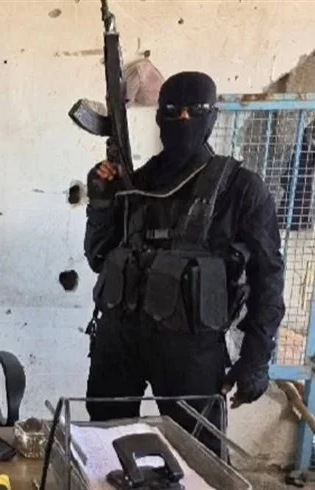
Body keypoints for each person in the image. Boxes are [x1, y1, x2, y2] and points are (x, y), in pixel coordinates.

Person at [83, 71, 286, 457]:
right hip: (119, 339)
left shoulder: (240, 187)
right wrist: (102, 202)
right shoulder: (137, 182)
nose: (184, 120)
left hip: (191, 349)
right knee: (105, 447)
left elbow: (269, 278)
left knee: (198, 458)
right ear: (159, 116)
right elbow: (99, 257)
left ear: (213, 116)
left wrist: (256, 359)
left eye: (196, 111)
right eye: (174, 110)